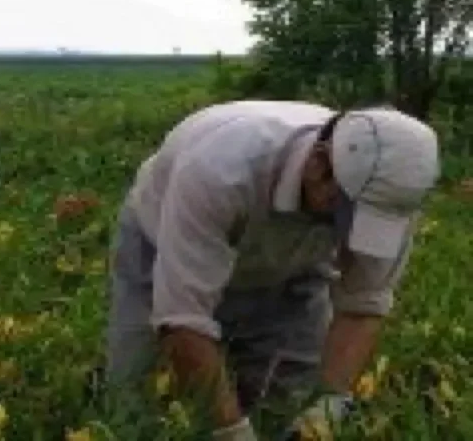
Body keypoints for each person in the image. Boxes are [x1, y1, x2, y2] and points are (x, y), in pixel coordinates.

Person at [105, 100, 439, 439]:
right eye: (347, 213)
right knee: (135, 397)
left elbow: (363, 306)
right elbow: (182, 319)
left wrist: (328, 406)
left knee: (285, 401)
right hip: (161, 240)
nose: (354, 231)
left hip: (297, 267)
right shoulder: (222, 169)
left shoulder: (390, 193)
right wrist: (232, 433)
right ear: (319, 165)